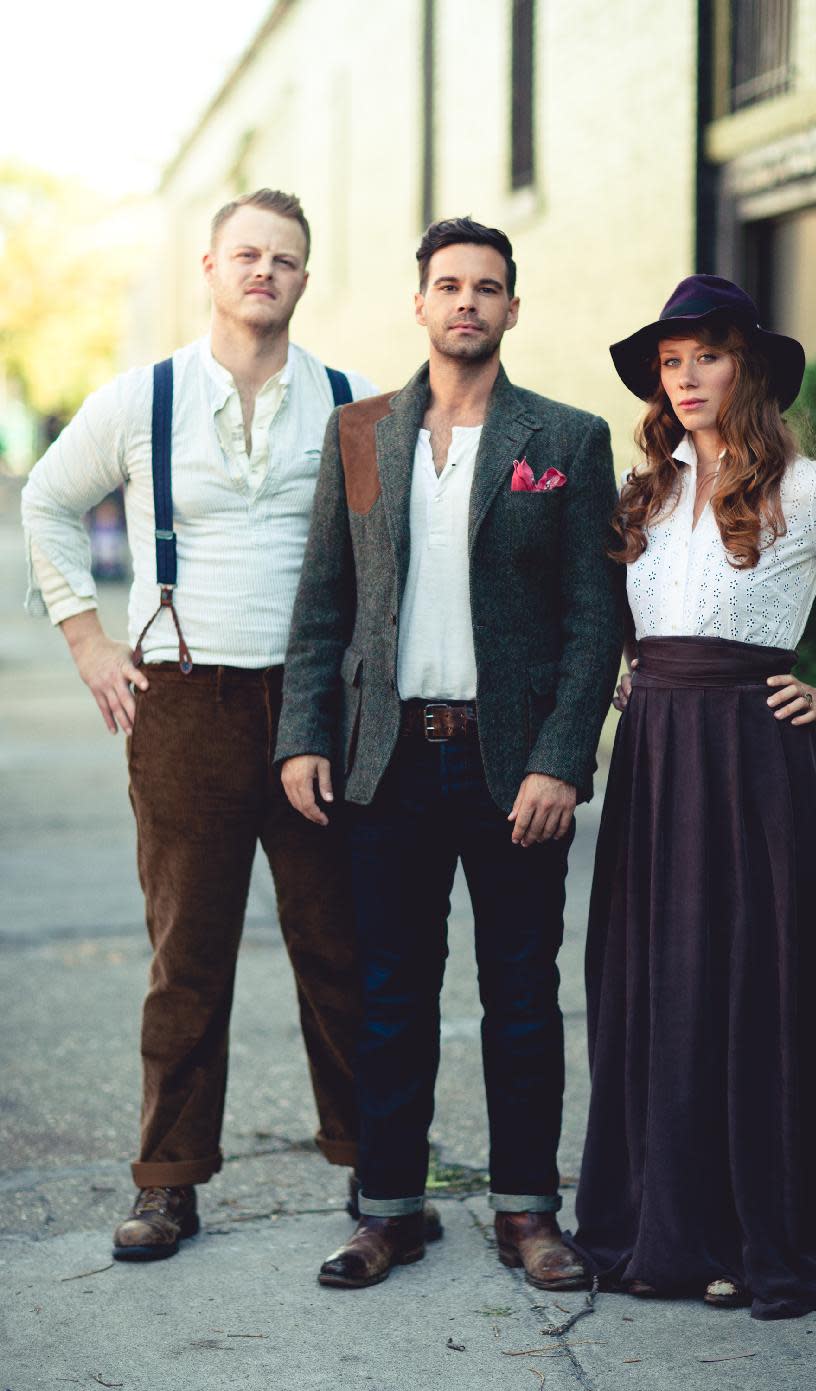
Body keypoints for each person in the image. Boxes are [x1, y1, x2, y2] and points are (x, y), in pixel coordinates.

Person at [21, 189, 379, 1262]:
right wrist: (88, 639)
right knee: (187, 953)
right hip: (184, 699)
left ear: (305, 280)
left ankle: (377, 1170)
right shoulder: (144, 398)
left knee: (338, 945)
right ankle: (168, 1182)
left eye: (286, 258)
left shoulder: (351, 404)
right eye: (247, 254)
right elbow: (45, 498)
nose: (265, 270)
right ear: (212, 270)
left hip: (315, 701)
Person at [277, 216, 622, 1290]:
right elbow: (324, 600)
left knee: (520, 995)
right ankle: (388, 1208)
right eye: (448, 285)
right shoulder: (361, 433)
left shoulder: (565, 441)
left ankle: (527, 1208)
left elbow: (591, 618)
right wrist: (301, 736)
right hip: (386, 763)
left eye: (487, 287)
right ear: (418, 303)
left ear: (512, 309)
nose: (466, 301)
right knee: (388, 996)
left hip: (510, 766)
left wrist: (562, 759)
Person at [570, 274, 816, 1320]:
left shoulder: (807, 488)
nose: (684, 377)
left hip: (757, 761)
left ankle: (755, 1228)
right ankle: (664, 1229)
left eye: (706, 356)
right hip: (656, 760)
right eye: (669, 362)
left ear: (748, 368)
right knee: (661, 982)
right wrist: (638, 668)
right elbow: (639, 611)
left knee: (755, 986)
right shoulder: (644, 491)